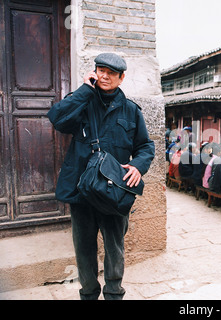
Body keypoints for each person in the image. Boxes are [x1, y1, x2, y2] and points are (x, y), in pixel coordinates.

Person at [47, 53, 155, 300]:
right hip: (82, 190)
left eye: (111, 73)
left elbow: (145, 146)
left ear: (121, 77)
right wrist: (85, 89)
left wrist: (138, 166)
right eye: (100, 70)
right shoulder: (82, 101)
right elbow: (57, 119)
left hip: (113, 192)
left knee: (114, 247)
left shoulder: (131, 111)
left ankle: (114, 293)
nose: (104, 76)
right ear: (95, 72)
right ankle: (88, 294)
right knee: (84, 248)